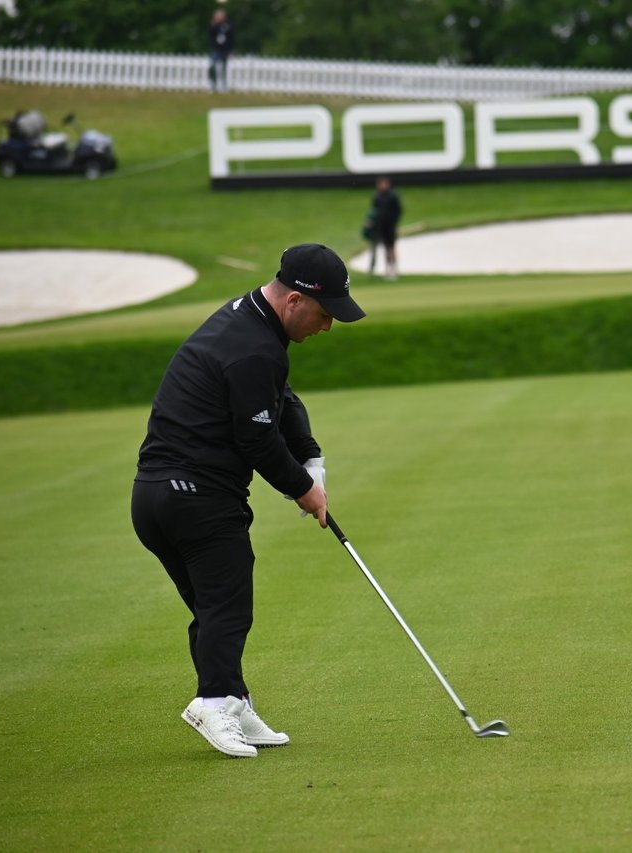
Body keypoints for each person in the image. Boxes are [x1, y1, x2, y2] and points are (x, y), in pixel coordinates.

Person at [131, 243, 365, 758]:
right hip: (198, 497)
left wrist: (311, 457)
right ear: (295, 302)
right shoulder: (255, 347)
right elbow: (256, 439)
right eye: (325, 316)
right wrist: (306, 492)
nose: (327, 327)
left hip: (154, 498)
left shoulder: (246, 322)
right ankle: (213, 701)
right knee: (227, 606)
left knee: (213, 608)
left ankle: (233, 699)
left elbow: (280, 398)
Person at [365, 176, 403, 281]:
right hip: (380, 226)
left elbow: (398, 211)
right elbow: (374, 211)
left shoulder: (393, 196)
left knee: (391, 247)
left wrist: (394, 222)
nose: (382, 185)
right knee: (385, 248)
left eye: (384, 183)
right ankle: (387, 270)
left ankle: (394, 269)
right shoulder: (377, 196)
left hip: (390, 226)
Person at [208, 7, 235, 93]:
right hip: (217, 49)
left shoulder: (228, 26)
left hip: (226, 49)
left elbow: (232, 38)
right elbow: (210, 34)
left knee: (224, 68)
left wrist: (232, 50)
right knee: (213, 66)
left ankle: (224, 85)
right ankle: (213, 84)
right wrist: (214, 24)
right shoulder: (214, 26)